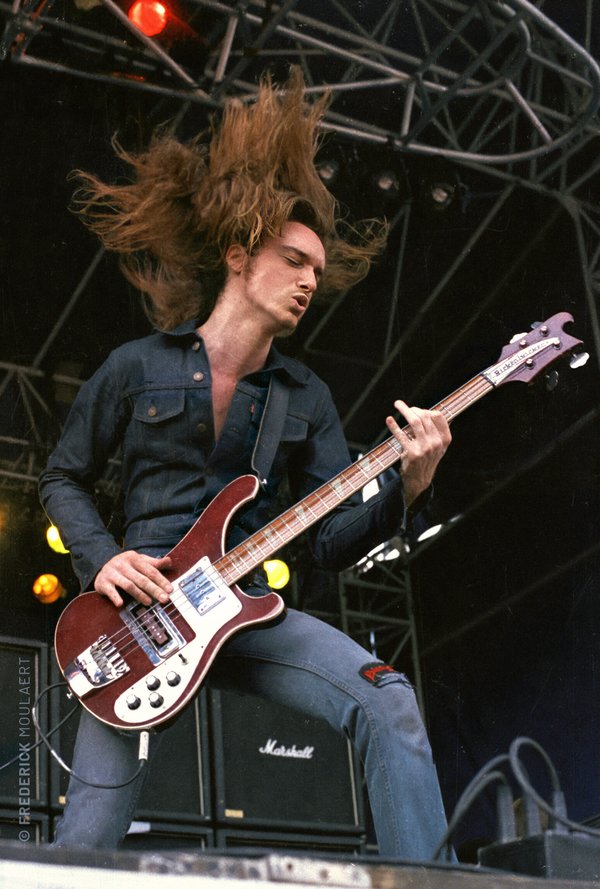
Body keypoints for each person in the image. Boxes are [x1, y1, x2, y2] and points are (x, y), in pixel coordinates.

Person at [39, 68, 452, 859]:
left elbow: (330, 542)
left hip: (247, 608)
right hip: (138, 627)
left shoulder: (305, 397)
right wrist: (104, 559)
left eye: (315, 270)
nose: (309, 280)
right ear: (238, 254)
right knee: (84, 843)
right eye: (294, 259)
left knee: (389, 701)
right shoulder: (135, 366)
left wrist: (411, 483)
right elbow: (62, 475)